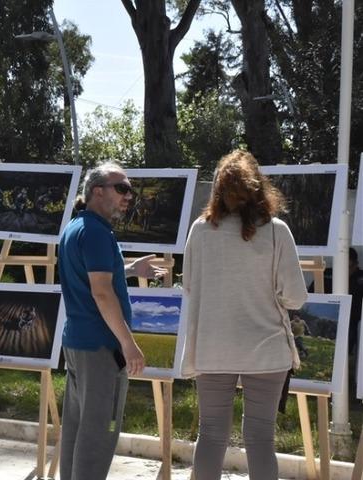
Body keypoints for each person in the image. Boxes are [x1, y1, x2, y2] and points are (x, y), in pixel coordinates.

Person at [181, 150, 307, 479]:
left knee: (210, 435)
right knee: (261, 440)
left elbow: (190, 285)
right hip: (266, 349)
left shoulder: (200, 230)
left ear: (218, 191)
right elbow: (295, 297)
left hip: (213, 346)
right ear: (259, 189)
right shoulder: (277, 231)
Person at [57, 161, 165, 480]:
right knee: (99, 434)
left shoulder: (77, 227)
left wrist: (130, 270)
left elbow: (92, 274)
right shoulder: (96, 233)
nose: (128, 196)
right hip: (101, 349)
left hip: (78, 343)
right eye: (122, 188)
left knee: (77, 429)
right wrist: (129, 345)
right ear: (97, 191)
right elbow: (102, 293)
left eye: (130, 190)